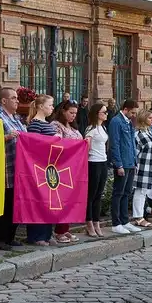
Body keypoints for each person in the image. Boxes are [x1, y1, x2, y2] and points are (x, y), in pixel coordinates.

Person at [0, 87, 26, 251]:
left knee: (14, 203)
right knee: (4, 203)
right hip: (4, 167)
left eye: (17, 98)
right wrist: (8, 137)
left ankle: (10, 236)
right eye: (13, 98)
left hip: (19, 168)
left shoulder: (16, 118)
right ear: (4, 101)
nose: (17, 101)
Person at [25, 94, 63, 245]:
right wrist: (54, 139)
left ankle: (47, 233)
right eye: (50, 105)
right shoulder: (35, 124)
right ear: (41, 107)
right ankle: (37, 235)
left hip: (50, 167)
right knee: (38, 202)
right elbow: (33, 146)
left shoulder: (47, 123)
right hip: (39, 167)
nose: (52, 108)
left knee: (49, 202)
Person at [52, 100, 83, 243]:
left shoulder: (73, 127)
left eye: (75, 113)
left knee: (71, 200)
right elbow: (58, 144)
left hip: (75, 167)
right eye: (71, 112)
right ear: (63, 111)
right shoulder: (56, 126)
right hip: (62, 167)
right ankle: (59, 230)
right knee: (62, 200)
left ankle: (66, 228)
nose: (73, 116)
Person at [109, 100, 140, 235]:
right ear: (126, 109)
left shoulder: (129, 122)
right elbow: (114, 144)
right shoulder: (116, 121)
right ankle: (116, 223)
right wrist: (118, 164)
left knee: (126, 192)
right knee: (118, 193)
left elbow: (132, 142)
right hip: (122, 163)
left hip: (130, 162)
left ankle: (125, 220)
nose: (134, 115)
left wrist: (134, 161)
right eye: (132, 112)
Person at [84, 102, 109, 238]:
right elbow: (86, 146)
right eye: (104, 112)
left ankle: (96, 221)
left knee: (99, 194)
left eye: (106, 112)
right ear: (97, 114)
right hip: (93, 162)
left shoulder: (103, 128)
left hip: (103, 161)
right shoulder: (90, 129)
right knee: (91, 194)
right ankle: (89, 222)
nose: (106, 114)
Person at [131, 109, 152, 228]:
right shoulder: (138, 134)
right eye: (150, 118)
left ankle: (141, 215)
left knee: (144, 192)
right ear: (143, 119)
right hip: (142, 166)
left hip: (150, 166)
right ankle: (138, 217)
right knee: (140, 191)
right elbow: (135, 152)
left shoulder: (149, 132)